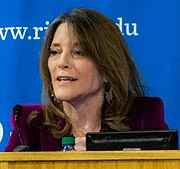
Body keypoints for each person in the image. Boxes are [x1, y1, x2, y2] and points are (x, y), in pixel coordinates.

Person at [4, 8, 169, 152]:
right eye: (55, 52)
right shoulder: (30, 123)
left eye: (78, 52)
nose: (61, 63)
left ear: (107, 68)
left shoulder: (143, 118)